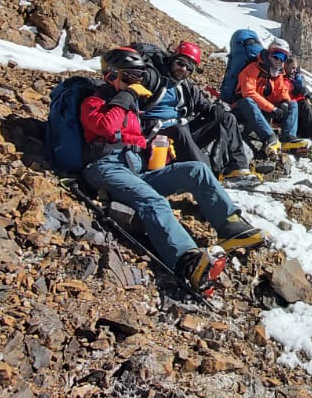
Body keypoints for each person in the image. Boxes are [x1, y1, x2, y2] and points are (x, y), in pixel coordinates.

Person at [81, 47, 266, 295]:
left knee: (197, 170)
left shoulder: (131, 102)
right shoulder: (95, 101)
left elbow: (136, 139)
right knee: (153, 201)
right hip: (105, 167)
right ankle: (187, 262)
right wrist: (126, 97)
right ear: (110, 75)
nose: (133, 83)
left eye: (135, 78)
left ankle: (230, 226)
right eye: (127, 77)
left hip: (135, 169)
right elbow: (104, 126)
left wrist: (159, 152)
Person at [139, 41, 257, 188]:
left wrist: (216, 110)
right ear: (172, 58)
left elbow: (204, 106)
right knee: (179, 128)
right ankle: (209, 181)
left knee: (226, 118)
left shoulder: (185, 86)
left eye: (189, 67)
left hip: (181, 136)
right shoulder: (154, 78)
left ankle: (238, 169)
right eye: (180, 63)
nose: (183, 69)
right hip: (155, 137)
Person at [232, 39, 299, 153]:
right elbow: (248, 92)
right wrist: (272, 109)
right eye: (276, 55)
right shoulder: (253, 68)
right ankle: (269, 138)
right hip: (242, 107)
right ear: (269, 54)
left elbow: (282, 90)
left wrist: (285, 102)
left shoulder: (278, 73)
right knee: (248, 101)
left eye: (283, 57)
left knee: (293, 104)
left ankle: (288, 138)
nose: (279, 60)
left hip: (261, 108)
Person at [282, 56, 312, 139]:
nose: (294, 70)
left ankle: (309, 134)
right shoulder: (282, 76)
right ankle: (298, 135)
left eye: (295, 68)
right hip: (287, 101)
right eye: (293, 68)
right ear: (286, 66)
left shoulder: (293, 77)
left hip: (294, 100)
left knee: (307, 106)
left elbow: (301, 88)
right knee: (304, 106)